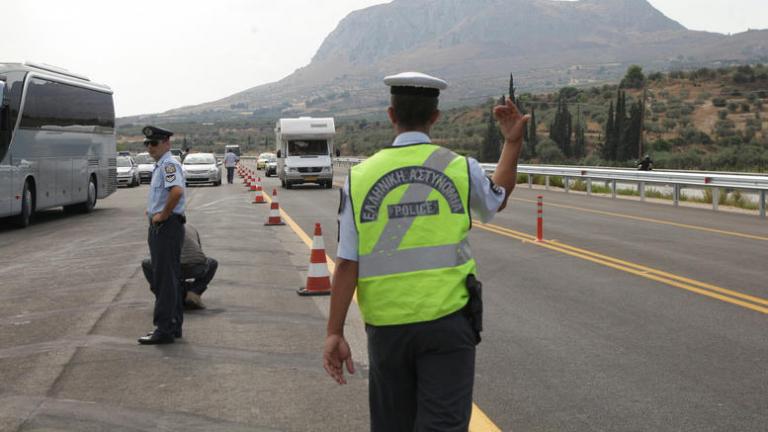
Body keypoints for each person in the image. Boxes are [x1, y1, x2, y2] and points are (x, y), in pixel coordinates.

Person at [322, 71, 529, 431]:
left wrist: (334, 332)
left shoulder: (360, 178)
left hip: (388, 330)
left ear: (391, 115)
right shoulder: (460, 168)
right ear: (435, 116)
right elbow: (498, 197)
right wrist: (512, 144)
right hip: (448, 324)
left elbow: (346, 264)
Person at [139, 125, 187, 345]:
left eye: (154, 143)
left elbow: (176, 192)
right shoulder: (161, 165)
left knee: (164, 280)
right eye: (147, 144)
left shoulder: (168, 164)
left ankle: (164, 329)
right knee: (171, 279)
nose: (150, 147)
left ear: (167, 143)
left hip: (166, 227)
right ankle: (173, 325)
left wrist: (162, 215)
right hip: (166, 226)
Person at [141, 224, 218, 310]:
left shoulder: (158, 229)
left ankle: (166, 296)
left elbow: (156, 255)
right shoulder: (191, 227)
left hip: (171, 268)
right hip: (196, 267)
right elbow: (198, 251)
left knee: (146, 264)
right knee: (213, 263)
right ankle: (194, 292)